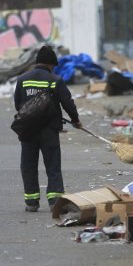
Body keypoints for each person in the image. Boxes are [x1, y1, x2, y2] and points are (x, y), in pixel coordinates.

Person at [14, 45, 82, 212]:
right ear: (51, 63)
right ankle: (55, 202)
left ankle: (31, 202)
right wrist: (75, 119)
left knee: (28, 165)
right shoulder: (54, 80)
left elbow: (18, 104)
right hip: (48, 131)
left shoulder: (23, 79)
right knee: (52, 166)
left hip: (28, 130)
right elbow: (67, 102)